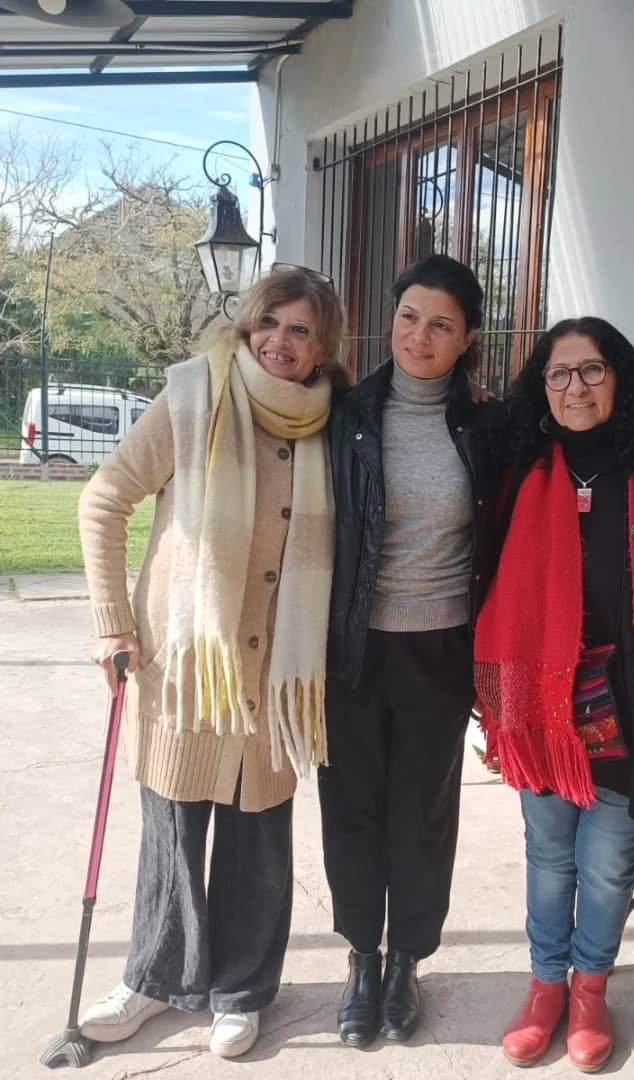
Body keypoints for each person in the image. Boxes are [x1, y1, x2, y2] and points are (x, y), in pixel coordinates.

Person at [76, 267, 346, 1059]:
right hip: (189, 663)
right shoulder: (192, 396)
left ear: (323, 346)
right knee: (172, 829)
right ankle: (154, 980)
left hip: (277, 673)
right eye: (269, 322)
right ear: (246, 326)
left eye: (301, 329)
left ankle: (241, 991)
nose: (280, 342)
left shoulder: (334, 421)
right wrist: (112, 623)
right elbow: (104, 499)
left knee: (259, 839)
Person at [473, 317, 634, 1071]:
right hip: (540, 704)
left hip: (631, 704)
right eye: (559, 373)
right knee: (548, 854)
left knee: (605, 863)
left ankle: (590, 990)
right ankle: (546, 986)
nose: (576, 387)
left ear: (619, 378)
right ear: (542, 387)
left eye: (592, 370)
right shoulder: (519, 469)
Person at [320, 254, 504, 1048]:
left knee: (423, 815)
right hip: (352, 647)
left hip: (440, 650)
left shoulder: (488, 426)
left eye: (440, 325)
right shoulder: (343, 413)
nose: (418, 337)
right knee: (351, 806)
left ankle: (407, 962)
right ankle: (362, 958)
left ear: (467, 339)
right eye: (408, 317)